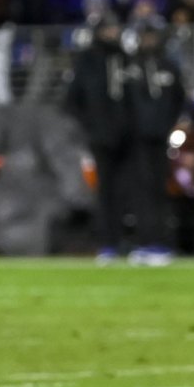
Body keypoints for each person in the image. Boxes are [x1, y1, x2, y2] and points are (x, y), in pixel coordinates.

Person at [65, 13, 131, 263]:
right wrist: (91, 126)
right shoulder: (88, 60)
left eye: (114, 28)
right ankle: (106, 242)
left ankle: (122, 239)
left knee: (124, 192)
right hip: (100, 138)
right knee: (104, 192)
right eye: (107, 29)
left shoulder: (125, 59)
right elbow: (72, 101)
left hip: (126, 137)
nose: (112, 33)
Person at [126, 20, 186, 266]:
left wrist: (172, 124)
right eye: (145, 36)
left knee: (161, 191)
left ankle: (161, 243)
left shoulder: (169, 67)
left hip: (162, 138)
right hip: (137, 138)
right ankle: (144, 242)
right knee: (141, 191)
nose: (149, 40)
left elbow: (180, 100)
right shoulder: (131, 67)